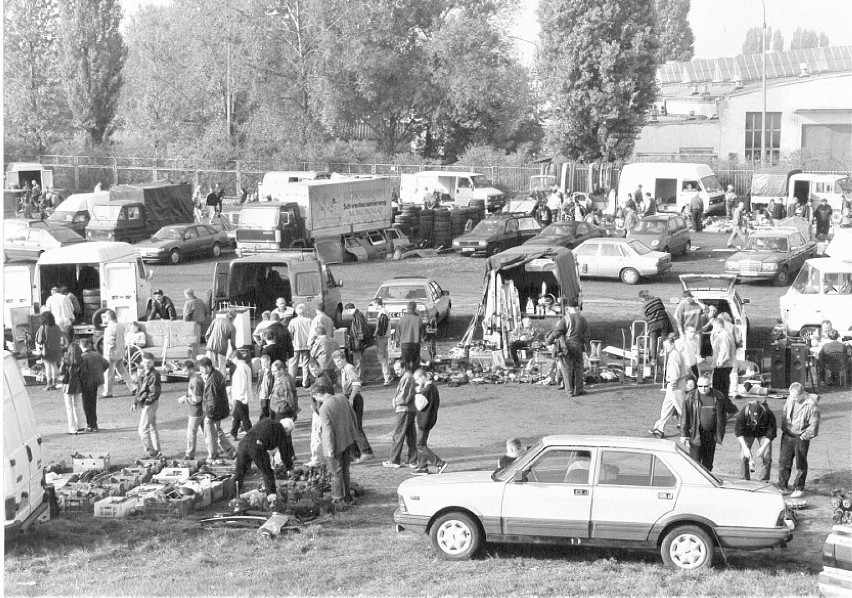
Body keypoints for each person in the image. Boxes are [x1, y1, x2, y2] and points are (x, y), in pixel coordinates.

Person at [315, 381, 360, 507]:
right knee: (345, 470)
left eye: (315, 397)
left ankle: (338, 500)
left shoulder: (324, 408)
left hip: (335, 445)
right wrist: (353, 433)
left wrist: (329, 449)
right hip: (348, 439)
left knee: (336, 472)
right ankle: (348, 497)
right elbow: (353, 416)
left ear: (319, 394)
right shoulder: (342, 398)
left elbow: (328, 430)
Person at [778, 382, 820, 498]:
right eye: (792, 396)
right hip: (788, 434)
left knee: (800, 463)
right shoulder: (790, 399)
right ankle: (782, 486)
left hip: (801, 436)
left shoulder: (811, 404)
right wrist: (784, 428)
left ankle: (799, 487)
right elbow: (784, 413)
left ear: (802, 394)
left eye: (796, 396)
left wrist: (804, 436)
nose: (793, 399)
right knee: (783, 461)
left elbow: (814, 425)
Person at [233, 418, 294, 497]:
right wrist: (289, 467)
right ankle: (272, 499)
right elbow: (284, 452)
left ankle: (232, 497)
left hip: (243, 444)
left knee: (239, 472)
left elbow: (265, 437)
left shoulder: (267, 421)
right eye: (289, 432)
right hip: (256, 446)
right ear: (286, 429)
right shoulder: (281, 430)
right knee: (267, 472)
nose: (288, 435)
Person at [333, 351, 374, 463]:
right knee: (350, 426)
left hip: (354, 398)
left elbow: (356, 384)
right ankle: (355, 453)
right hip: (349, 397)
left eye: (338, 361)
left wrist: (351, 398)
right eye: (335, 362)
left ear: (343, 359)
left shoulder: (349, 368)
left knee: (356, 426)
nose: (337, 363)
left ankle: (366, 451)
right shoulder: (343, 370)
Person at [680, 375, 727, 471]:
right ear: (697, 385)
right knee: (695, 463)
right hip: (696, 434)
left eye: (706, 386)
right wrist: (684, 434)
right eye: (700, 386)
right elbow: (685, 417)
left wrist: (720, 432)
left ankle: (707, 483)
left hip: (711, 435)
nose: (703, 389)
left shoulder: (718, 396)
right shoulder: (690, 397)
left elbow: (723, 416)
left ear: (710, 385)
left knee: (708, 464)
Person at [545, 300, 588, 397]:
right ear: (577, 308)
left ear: (568, 308)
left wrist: (548, 342)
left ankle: (570, 392)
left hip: (567, 347)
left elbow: (557, 332)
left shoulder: (566, 319)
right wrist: (584, 348)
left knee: (567, 369)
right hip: (578, 346)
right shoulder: (583, 319)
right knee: (579, 368)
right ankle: (579, 390)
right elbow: (586, 336)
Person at [199, 356, 236, 460]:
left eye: (201, 368)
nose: (200, 370)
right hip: (220, 410)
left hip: (213, 412)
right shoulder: (217, 374)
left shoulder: (212, 380)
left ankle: (212, 456)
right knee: (218, 431)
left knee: (210, 435)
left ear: (207, 367)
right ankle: (231, 451)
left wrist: (209, 415)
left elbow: (212, 399)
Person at [649, 334, 686, 439]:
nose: (666, 348)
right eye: (665, 347)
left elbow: (675, 372)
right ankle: (659, 429)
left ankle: (691, 428)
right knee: (666, 407)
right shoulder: (674, 353)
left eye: (667, 346)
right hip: (673, 385)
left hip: (675, 385)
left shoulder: (674, 355)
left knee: (681, 408)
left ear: (673, 344)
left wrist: (673, 383)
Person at [411, 369, 447, 475]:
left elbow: (419, 405)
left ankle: (439, 463)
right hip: (429, 419)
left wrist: (417, 392)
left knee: (420, 444)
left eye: (417, 379)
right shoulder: (433, 388)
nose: (417, 382)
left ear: (423, 377)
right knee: (421, 443)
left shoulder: (427, 390)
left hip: (424, 420)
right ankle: (422, 467)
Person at [383, 360, 418, 468]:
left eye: (398, 369)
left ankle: (394, 460)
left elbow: (404, 397)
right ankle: (413, 460)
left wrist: (395, 401)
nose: (396, 372)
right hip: (409, 410)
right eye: (395, 370)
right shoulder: (408, 377)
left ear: (404, 368)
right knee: (410, 436)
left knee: (398, 435)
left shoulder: (407, 378)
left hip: (404, 410)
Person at [735, 397, 777, 482]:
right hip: (747, 432)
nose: (755, 421)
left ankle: (764, 480)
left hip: (763, 432)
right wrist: (745, 448)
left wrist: (763, 447)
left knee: (766, 455)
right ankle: (744, 479)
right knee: (743, 455)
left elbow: (771, 431)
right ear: (749, 412)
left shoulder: (767, 413)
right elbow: (738, 432)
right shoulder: (743, 413)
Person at [133, 352, 163, 459]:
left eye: (149, 363)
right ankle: (157, 451)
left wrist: (145, 403)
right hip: (148, 402)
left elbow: (154, 392)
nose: (147, 364)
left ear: (153, 362)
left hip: (149, 403)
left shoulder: (154, 374)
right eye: (145, 362)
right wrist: (135, 402)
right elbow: (139, 389)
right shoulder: (143, 373)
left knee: (142, 429)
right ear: (142, 362)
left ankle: (151, 452)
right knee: (151, 427)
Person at [102, 310, 135, 398]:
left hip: (111, 353)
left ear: (109, 317)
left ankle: (108, 392)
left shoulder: (109, 328)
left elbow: (110, 342)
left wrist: (106, 355)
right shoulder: (121, 325)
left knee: (108, 373)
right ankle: (133, 387)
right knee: (122, 370)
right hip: (120, 351)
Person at [78, 338, 108, 433]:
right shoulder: (97, 354)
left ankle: (90, 424)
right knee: (93, 403)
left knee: (87, 405)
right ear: (89, 345)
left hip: (86, 383)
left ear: (81, 346)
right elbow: (106, 364)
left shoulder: (82, 357)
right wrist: (99, 372)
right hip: (95, 382)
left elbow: (81, 371)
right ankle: (94, 424)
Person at [177, 360, 206, 460]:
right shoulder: (195, 378)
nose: (184, 374)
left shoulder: (195, 381)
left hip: (196, 412)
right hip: (199, 410)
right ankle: (219, 450)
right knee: (208, 433)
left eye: (185, 371)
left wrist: (185, 399)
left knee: (191, 433)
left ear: (190, 369)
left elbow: (197, 399)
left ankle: (189, 454)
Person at [638, 290, 673, 369]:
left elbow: (646, 316)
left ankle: (653, 359)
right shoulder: (658, 299)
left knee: (653, 341)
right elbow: (663, 309)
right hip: (664, 322)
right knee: (664, 340)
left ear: (642, 298)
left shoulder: (644, 305)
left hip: (653, 325)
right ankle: (667, 357)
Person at [35, 311, 65, 390]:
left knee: (48, 367)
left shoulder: (43, 327)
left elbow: (39, 340)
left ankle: (49, 384)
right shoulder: (57, 327)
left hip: (47, 350)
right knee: (54, 365)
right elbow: (60, 337)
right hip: (57, 349)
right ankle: (54, 383)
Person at [60, 342, 86, 434]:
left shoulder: (66, 360)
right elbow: (83, 374)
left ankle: (72, 428)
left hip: (67, 384)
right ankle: (80, 426)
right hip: (78, 384)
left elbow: (61, 373)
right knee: (77, 405)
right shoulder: (81, 360)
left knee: (69, 407)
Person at [229, 351, 254, 440]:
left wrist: (241, 394)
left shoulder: (241, 367)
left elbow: (242, 382)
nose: (232, 361)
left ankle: (251, 434)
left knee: (244, 417)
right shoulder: (245, 366)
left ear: (235, 357)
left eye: (232, 359)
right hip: (241, 396)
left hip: (240, 396)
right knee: (237, 415)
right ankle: (233, 433)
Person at [205, 310, 237, 375]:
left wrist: (208, 344)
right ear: (233, 318)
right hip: (222, 349)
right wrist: (235, 351)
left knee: (209, 367)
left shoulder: (216, 320)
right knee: (222, 368)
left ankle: (209, 382)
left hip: (210, 347)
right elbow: (232, 343)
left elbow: (207, 334)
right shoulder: (232, 327)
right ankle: (222, 383)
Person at [345, 303, 372, 378]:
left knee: (358, 362)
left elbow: (360, 331)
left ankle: (360, 379)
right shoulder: (358, 315)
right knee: (359, 361)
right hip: (358, 342)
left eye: (347, 311)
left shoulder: (357, 317)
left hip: (358, 343)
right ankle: (360, 378)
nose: (347, 313)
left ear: (349, 310)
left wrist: (358, 343)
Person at [288, 303, 313, 387]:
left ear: (296, 311)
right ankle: (305, 382)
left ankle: (292, 382)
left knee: (293, 364)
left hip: (296, 345)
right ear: (304, 310)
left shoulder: (293, 321)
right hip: (306, 345)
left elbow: (290, 333)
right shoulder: (309, 320)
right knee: (305, 364)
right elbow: (312, 333)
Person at [710, 318, 735, 398]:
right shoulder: (725, 334)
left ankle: (722, 407)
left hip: (723, 366)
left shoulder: (724, 336)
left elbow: (726, 352)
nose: (713, 329)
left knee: (719, 391)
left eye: (714, 327)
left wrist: (721, 363)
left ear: (718, 326)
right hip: (724, 365)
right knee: (721, 390)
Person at [395, 301, 423, 373]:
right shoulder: (419, 319)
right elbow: (422, 332)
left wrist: (397, 340)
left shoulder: (402, 319)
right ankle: (415, 374)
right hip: (415, 343)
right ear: (415, 308)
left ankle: (407, 374)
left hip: (405, 343)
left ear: (407, 308)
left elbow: (398, 331)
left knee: (406, 361)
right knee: (415, 360)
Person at [371, 298, 393, 386]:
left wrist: (377, 334)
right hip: (386, 336)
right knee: (385, 357)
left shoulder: (382, 313)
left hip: (382, 337)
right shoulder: (384, 311)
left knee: (382, 357)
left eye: (373, 304)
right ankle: (387, 374)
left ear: (377, 304)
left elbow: (381, 326)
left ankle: (386, 377)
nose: (373, 306)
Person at [256, 354, 274, 419]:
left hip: (269, 394)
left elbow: (273, 383)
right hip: (262, 394)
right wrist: (259, 391)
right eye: (262, 362)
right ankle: (262, 422)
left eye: (265, 362)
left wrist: (272, 392)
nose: (263, 364)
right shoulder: (261, 372)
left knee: (270, 409)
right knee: (262, 410)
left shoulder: (272, 372)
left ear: (269, 362)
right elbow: (259, 382)